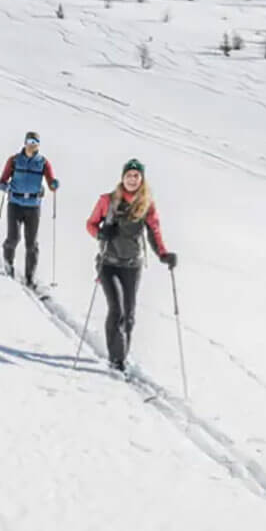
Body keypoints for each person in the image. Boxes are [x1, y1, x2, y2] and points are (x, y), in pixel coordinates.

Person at [86, 158, 177, 372]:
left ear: (142, 180)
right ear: (122, 177)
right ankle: (116, 360)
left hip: (133, 265)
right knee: (116, 310)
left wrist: (163, 254)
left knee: (129, 316)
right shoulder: (107, 201)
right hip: (108, 263)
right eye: (129, 175)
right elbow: (90, 224)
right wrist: (100, 232)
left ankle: (121, 353)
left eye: (136, 176)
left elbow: (154, 233)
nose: (132, 179)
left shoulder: (146, 205)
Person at [0, 131, 59, 286]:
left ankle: (30, 277)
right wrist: (5, 186)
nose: (32, 144)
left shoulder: (43, 162)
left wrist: (53, 185)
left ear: (38, 144)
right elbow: (1, 181)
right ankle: (8, 265)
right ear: (24, 142)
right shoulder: (14, 160)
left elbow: (51, 182)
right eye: (29, 141)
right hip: (15, 204)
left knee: (32, 243)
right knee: (13, 238)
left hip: (33, 206)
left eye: (35, 141)